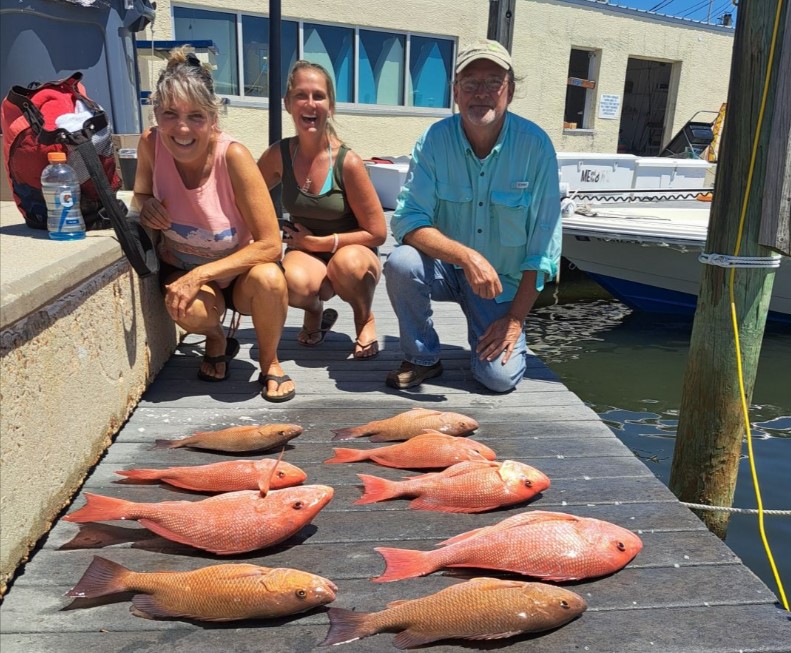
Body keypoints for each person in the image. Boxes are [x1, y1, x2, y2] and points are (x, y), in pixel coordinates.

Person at [384, 39, 562, 392]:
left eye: (493, 82)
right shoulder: (434, 140)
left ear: (509, 91)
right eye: (470, 83)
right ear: (455, 92)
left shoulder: (536, 146)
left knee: (498, 379)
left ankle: (494, 336)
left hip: (501, 286)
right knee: (401, 263)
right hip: (448, 269)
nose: (481, 93)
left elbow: (543, 248)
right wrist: (466, 257)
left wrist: (514, 319)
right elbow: (407, 220)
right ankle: (422, 357)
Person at [133, 47, 295, 402]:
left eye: (195, 116)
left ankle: (270, 362)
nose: (182, 128)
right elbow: (141, 193)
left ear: (213, 118)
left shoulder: (233, 155)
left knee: (271, 278)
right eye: (170, 114)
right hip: (183, 269)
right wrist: (145, 207)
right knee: (185, 308)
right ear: (156, 114)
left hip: (238, 277)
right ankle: (216, 337)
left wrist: (201, 275)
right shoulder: (150, 144)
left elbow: (270, 244)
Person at [257, 61, 387, 359]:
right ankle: (315, 311)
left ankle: (364, 317)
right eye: (301, 95)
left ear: (331, 107)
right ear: (288, 103)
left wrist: (319, 243)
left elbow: (378, 233)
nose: (310, 103)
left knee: (348, 264)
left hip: (355, 251)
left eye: (319, 96)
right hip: (306, 252)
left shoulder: (348, 162)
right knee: (290, 281)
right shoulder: (279, 154)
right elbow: (247, 195)